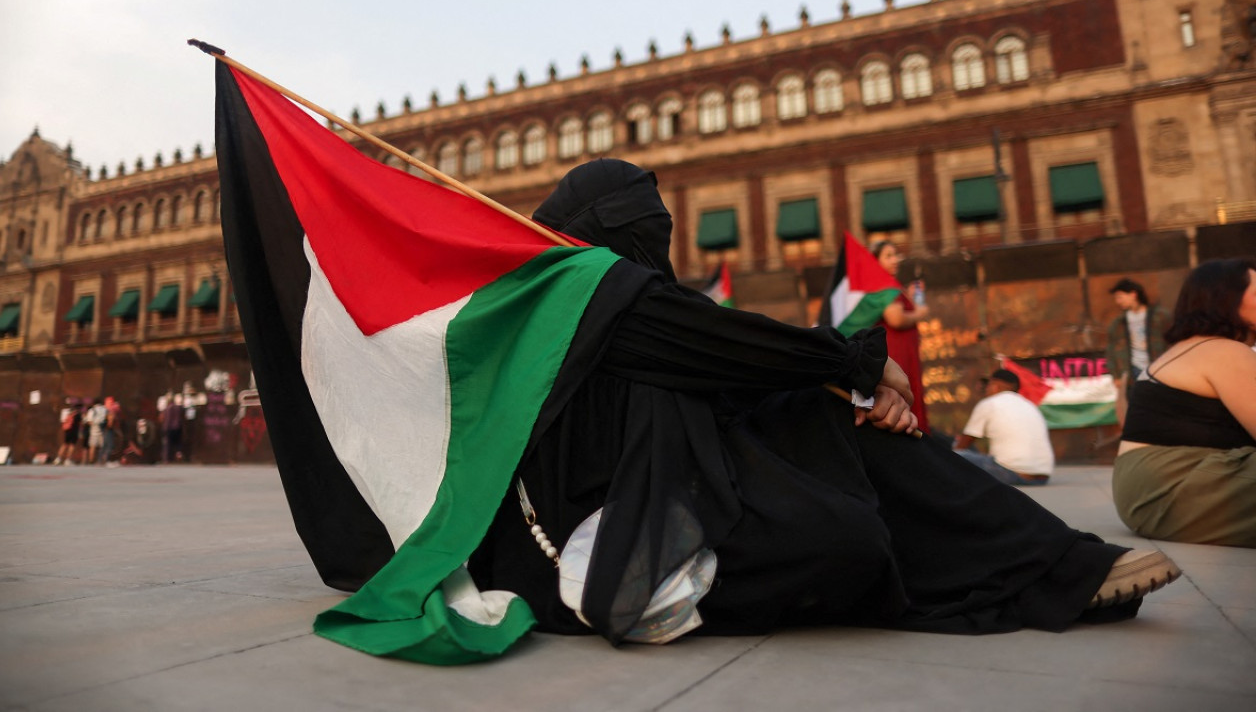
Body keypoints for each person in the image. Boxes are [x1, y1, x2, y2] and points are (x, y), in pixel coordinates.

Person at [468, 159, 1178, 647]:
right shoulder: (587, 296)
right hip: (609, 526)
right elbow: (729, 343)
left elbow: (735, 366)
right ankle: (1031, 573)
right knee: (848, 541)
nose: (656, 230)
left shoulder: (643, 302)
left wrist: (852, 389)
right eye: (640, 218)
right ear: (608, 226)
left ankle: (1061, 565)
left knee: (844, 426)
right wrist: (858, 361)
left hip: (687, 484)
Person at [1112, 258, 1256, 547]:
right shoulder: (1224, 351)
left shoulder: (1193, 347)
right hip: (1170, 489)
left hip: (1149, 494)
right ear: (1226, 300)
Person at [954, 368, 1055, 485]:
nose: (986, 389)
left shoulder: (989, 403)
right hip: (1042, 478)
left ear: (996, 386)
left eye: (988, 384)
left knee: (955, 456)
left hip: (1010, 474)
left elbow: (964, 443)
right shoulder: (1030, 405)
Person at [870, 240, 930, 433]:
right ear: (875, 260)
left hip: (904, 351)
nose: (895, 260)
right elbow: (895, 319)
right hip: (897, 353)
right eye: (888, 256)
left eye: (895, 255)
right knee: (903, 395)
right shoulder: (884, 285)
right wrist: (920, 312)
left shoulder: (891, 286)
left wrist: (909, 297)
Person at [1106, 277, 1170, 427]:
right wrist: (1116, 374)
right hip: (1133, 371)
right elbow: (1111, 350)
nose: (1118, 301)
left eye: (1120, 297)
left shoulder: (1160, 316)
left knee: (1162, 405)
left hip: (1158, 368)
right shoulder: (1118, 323)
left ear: (1133, 294)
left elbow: (1171, 342)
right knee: (1138, 408)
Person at [83, 399, 108, 465]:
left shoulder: (92, 410)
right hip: (103, 429)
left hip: (94, 429)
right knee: (102, 446)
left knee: (93, 446)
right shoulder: (105, 409)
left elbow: (89, 421)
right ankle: (102, 461)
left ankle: (91, 461)